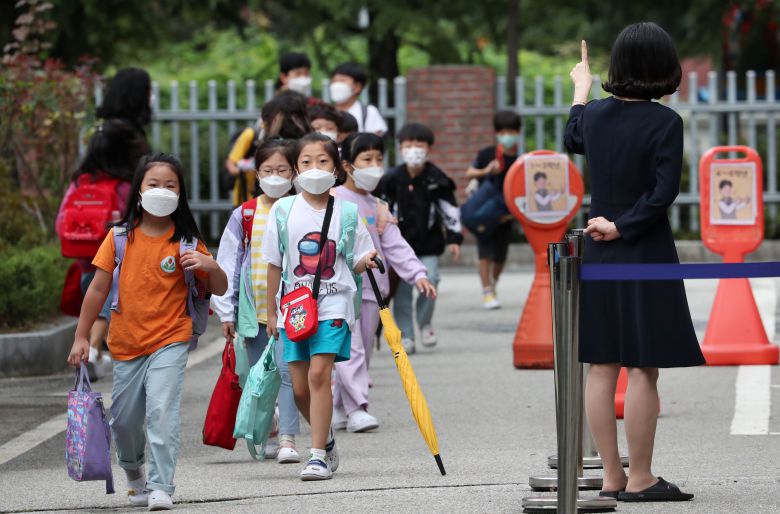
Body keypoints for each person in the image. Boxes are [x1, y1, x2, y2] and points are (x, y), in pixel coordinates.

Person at [564, 24, 702, 502]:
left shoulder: (595, 116)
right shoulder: (666, 123)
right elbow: (664, 192)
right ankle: (640, 477)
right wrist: (624, 225)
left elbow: (573, 136)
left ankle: (611, 476)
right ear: (664, 67)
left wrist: (581, 88)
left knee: (602, 364)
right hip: (644, 246)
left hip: (598, 246)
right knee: (643, 366)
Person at [67, 153, 228, 510]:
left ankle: (161, 485)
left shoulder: (188, 242)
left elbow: (218, 287)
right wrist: (81, 336)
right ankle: (133, 471)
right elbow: (97, 288)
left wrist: (210, 265)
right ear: (138, 190)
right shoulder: (119, 237)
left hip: (172, 339)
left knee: (162, 411)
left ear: (180, 193)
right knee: (124, 421)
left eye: (170, 185)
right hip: (126, 343)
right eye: (153, 184)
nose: (162, 191)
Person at [263, 133, 378, 481]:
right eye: (307, 161)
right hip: (295, 308)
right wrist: (271, 312)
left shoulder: (347, 212)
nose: (315, 168)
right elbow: (274, 263)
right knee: (299, 389)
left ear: (336, 168)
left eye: (323, 161)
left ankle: (316, 457)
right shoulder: (283, 210)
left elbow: (357, 257)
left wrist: (367, 261)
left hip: (335, 304)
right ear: (296, 169)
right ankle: (324, 438)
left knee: (319, 375)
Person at [332, 133, 436, 432]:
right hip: (338, 290)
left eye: (379, 159)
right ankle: (358, 407)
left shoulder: (378, 206)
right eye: (367, 159)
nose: (375, 165)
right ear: (347, 166)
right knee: (351, 350)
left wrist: (417, 274)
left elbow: (395, 244)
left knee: (361, 350)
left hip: (371, 292)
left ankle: (339, 407)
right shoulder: (333, 200)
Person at [212, 139, 302, 464]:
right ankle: (268, 433)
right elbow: (227, 263)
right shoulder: (245, 214)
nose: (275, 176)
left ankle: (288, 438)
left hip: (294, 310)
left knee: (288, 374)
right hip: (255, 313)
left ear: (294, 173)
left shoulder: (302, 209)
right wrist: (226, 311)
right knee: (259, 378)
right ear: (257, 174)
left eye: (282, 170)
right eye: (267, 170)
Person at [56, 119, 147, 380]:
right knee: (106, 304)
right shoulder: (124, 186)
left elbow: (60, 221)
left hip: (85, 259)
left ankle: (89, 350)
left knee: (92, 301)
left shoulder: (78, 183)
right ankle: (94, 350)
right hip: (117, 262)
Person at [377, 123, 463, 354]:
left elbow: (449, 209)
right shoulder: (391, 179)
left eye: (419, 145)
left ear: (428, 148)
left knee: (431, 280)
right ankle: (406, 335)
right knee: (402, 293)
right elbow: (380, 206)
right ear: (400, 148)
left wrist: (454, 238)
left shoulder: (437, 179)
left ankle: (425, 322)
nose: (414, 150)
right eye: (408, 145)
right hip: (398, 247)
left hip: (429, 245)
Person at [464, 110, 522, 310]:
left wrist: (513, 214)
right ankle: (487, 291)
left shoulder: (521, 160)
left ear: (518, 132)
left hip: (506, 215)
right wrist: (486, 170)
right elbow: (470, 172)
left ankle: (493, 282)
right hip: (485, 213)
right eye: (502, 132)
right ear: (497, 133)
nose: (507, 136)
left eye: (511, 131)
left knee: (500, 256)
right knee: (485, 253)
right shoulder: (487, 154)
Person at [225, 91, 311, 206]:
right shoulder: (253, 134)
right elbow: (231, 163)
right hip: (248, 197)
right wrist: (249, 169)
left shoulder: (300, 142)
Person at [95, 67, 153, 150]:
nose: (151, 96)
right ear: (138, 95)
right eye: (149, 90)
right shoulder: (123, 135)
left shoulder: (114, 129)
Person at [329, 63, 388, 136]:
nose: (336, 85)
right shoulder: (326, 112)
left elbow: (375, 138)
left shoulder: (368, 112)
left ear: (357, 87)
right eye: (334, 81)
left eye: (342, 80)